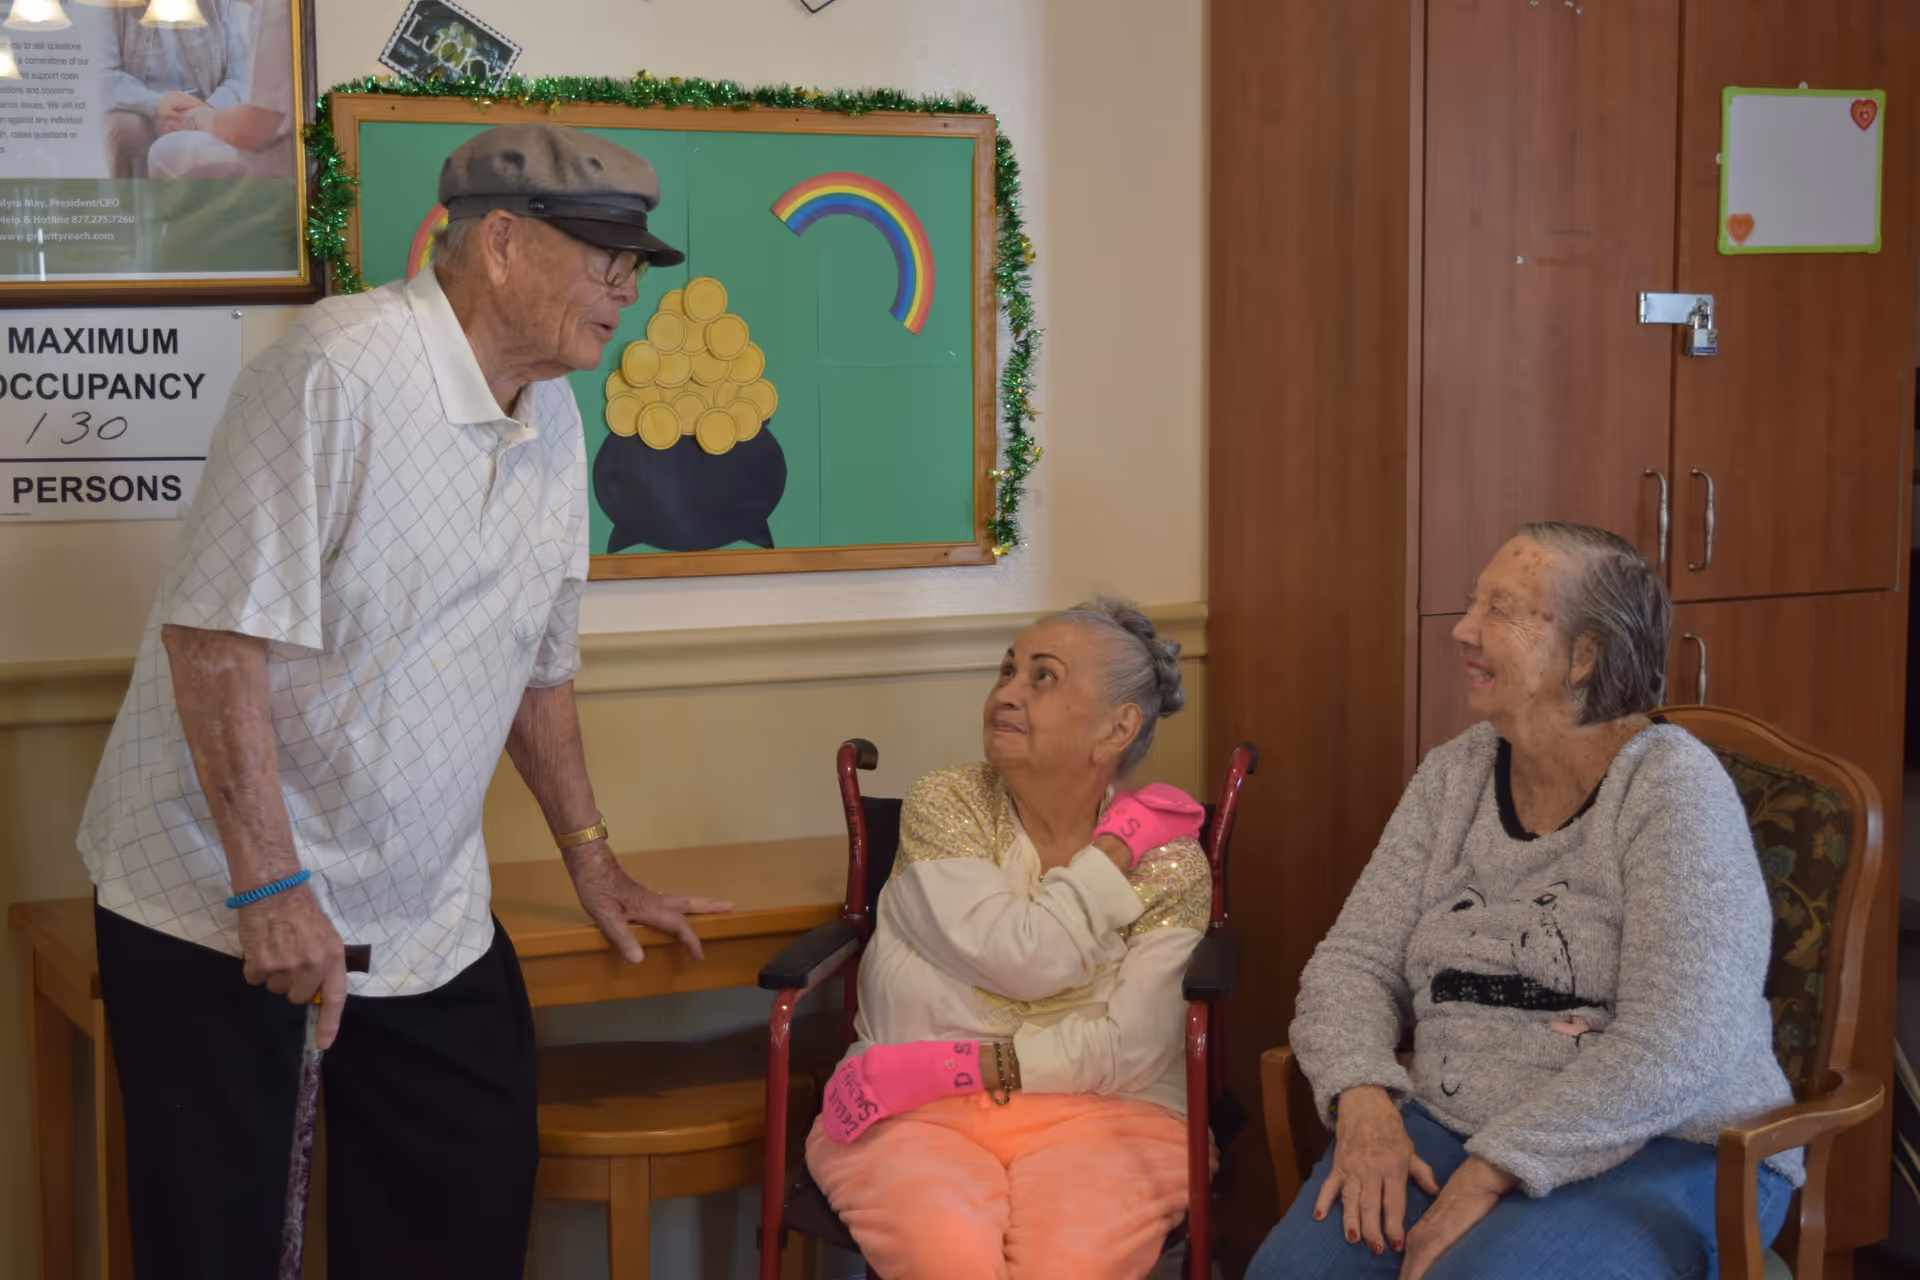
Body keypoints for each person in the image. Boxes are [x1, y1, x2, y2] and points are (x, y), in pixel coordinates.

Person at [75, 123, 724, 1279]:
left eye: (637, 263)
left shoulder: (556, 410)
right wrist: (272, 885)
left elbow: (536, 660)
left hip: (424, 911)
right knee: (221, 1249)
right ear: (506, 245)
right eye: (604, 255)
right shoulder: (337, 369)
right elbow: (216, 636)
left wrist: (592, 855)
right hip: (221, 902)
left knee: (458, 1215)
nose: (627, 285)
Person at [1249, 523, 1801, 1280]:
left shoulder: (1673, 790)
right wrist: (1363, 1097)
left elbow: (1678, 1043)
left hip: (1668, 1146)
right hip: (1459, 1120)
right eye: (1472, 603)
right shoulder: (1454, 775)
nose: (1463, 631)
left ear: (1585, 656)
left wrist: (1494, 1169)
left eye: (1500, 610)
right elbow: (1354, 960)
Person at [805, 598, 1212, 1280]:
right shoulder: (950, 802)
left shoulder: (1173, 861)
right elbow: (1022, 958)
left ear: (1118, 727)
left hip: (1111, 1118)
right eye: (1007, 671)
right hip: (913, 1115)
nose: (1008, 693)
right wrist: (1112, 851)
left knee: (1068, 1267)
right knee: (948, 1258)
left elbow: (1132, 1050)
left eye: (1043, 677)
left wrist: (954, 1063)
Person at [147, 0, 296, 180]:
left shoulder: (271, 9)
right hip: (279, 141)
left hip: (286, 158)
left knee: (165, 151)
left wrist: (196, 117)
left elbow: (251, 129)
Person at [100, 0, 248, 178]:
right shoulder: (115, 5)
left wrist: (205, 113)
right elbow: (104, 74)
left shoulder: (220, 4)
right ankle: (124, 204)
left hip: (206, 106)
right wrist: (156, 105)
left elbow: (240, 77)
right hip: (146, 111)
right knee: (120, 128)